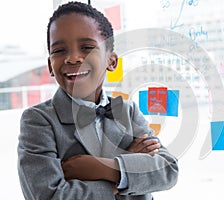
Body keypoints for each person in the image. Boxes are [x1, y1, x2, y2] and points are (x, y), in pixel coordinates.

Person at [17, 2, 178, 200]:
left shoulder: (127, 110)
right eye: (59, 51)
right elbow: (47, 195)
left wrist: (97, 167)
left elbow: (167, 170)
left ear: (111, 61)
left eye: (86, 47)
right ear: (50, 64)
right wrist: (126, 172)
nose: (73, 58)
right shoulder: (38, 120)